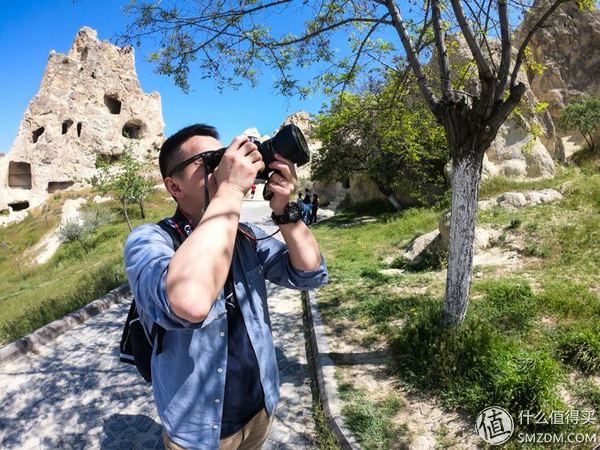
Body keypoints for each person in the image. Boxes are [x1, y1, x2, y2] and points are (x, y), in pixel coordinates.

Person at [124, 124, 328, 450]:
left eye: (224, 157)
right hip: (198, 430)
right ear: (173, 186)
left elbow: (309, 274)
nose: (223, 167)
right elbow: (189, 304)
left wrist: (285, 211)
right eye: (211, 161)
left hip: (260, 407)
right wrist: (230, 189)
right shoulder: (150, 241)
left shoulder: (243, 235)